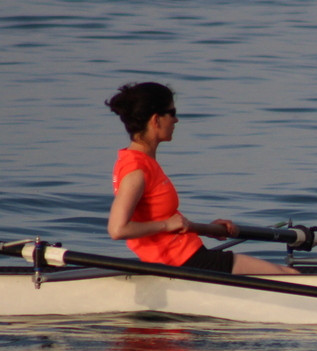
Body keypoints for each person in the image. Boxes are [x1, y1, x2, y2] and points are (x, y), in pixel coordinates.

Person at [105, 82, 297, 275]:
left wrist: (206, 229)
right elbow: (118, 229)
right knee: (289, 276)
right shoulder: (136, 170)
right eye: (172, 113)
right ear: (156, 120)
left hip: (186, 255)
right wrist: (166, 225)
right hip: (182, 262)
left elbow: (166, 221)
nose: (177, 120)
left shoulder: (139, 161)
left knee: (285, 272)